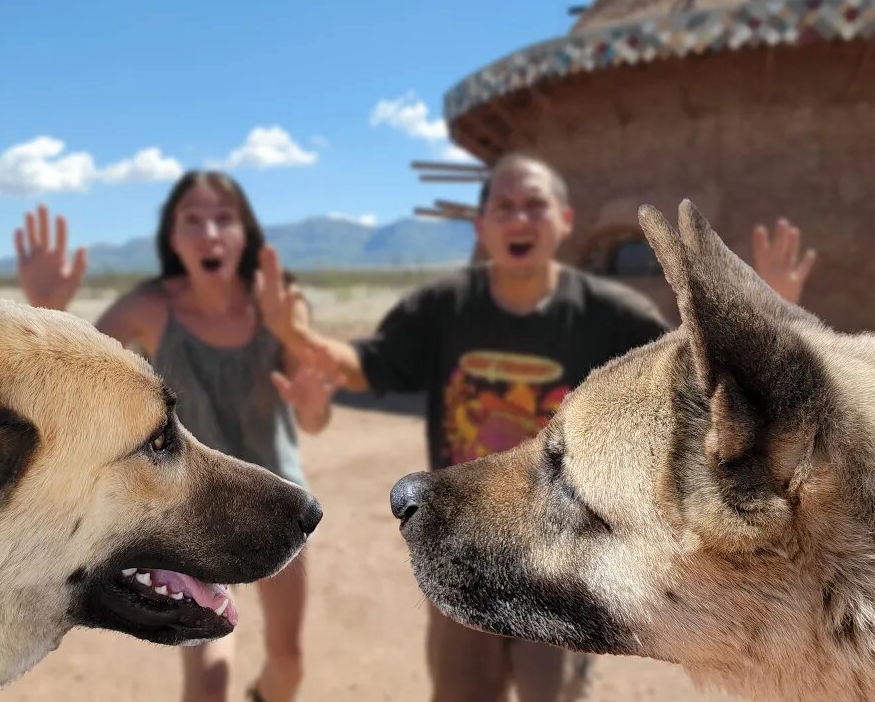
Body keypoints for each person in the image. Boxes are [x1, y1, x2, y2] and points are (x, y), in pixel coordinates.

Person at [255, 152, 816, 702]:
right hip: (461, 527)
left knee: (552, 690)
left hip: (558, 553)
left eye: (534, 205)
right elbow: (363, 364)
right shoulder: (444, 307)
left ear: (564, 221)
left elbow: (701, 370)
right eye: (504, 206)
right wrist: (296, 335)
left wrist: (766, 320)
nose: (519, 218)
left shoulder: (607, 313)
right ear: (481, 225)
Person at [13, 170, 334, 702]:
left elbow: (315, 421)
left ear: (245, 232)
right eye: (193, 220)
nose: (210, 232)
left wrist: (311, 402)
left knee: (289, 661)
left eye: (223, 218)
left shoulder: (278, 304)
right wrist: (49, 310)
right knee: (209, 677)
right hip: (193, 507)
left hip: (277, 505)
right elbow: (82, 381)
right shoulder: (150, 307)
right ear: (173, 237)